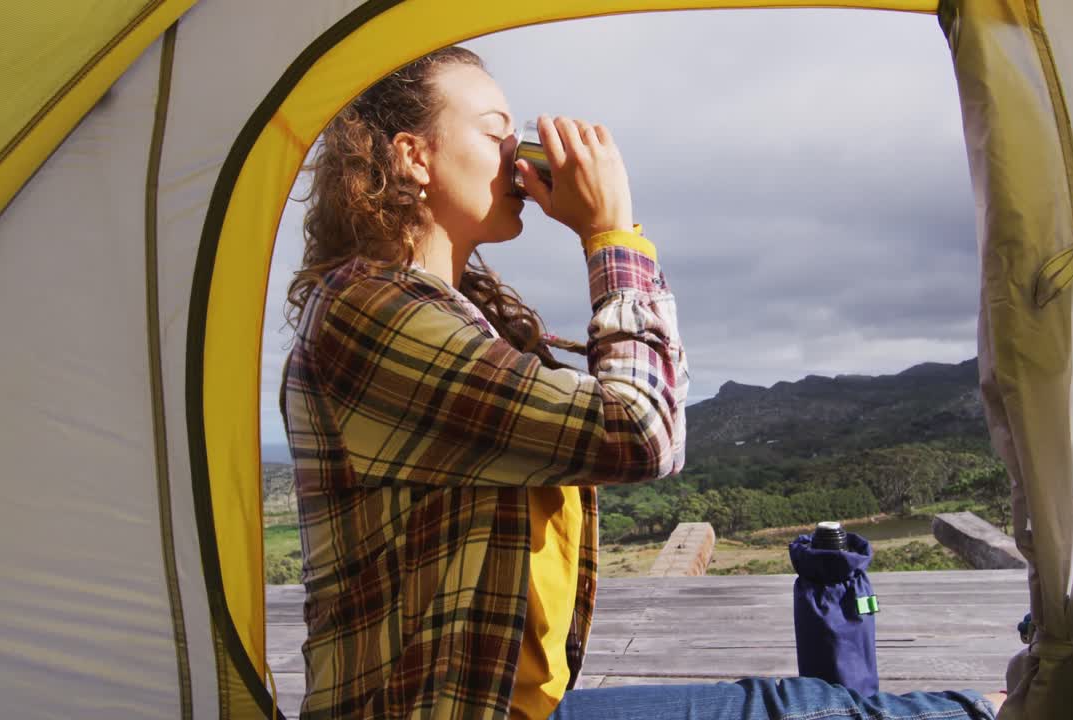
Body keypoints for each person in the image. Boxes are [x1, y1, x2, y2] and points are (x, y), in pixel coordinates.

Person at [280, 45, 1003, 720]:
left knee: (799, 703)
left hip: (504, 706)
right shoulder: (368, 313)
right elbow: (639, 431)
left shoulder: (444, 314)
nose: (519, 150)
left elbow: (647, 407)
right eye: (497, 130)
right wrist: (611, 234)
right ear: (413, 157)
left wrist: (619, 236)